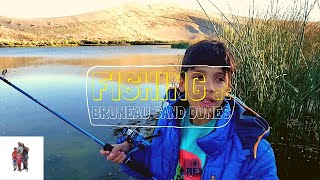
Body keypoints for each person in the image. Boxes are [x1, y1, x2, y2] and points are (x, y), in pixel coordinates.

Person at [100, 40, 278, 179]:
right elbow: (156, 165)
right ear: (182, 84)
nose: (209, 87)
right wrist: (128, 151)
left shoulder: (254, 149)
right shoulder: (169, 120)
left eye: (219, 79)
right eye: (199, 77)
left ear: (228, 88)